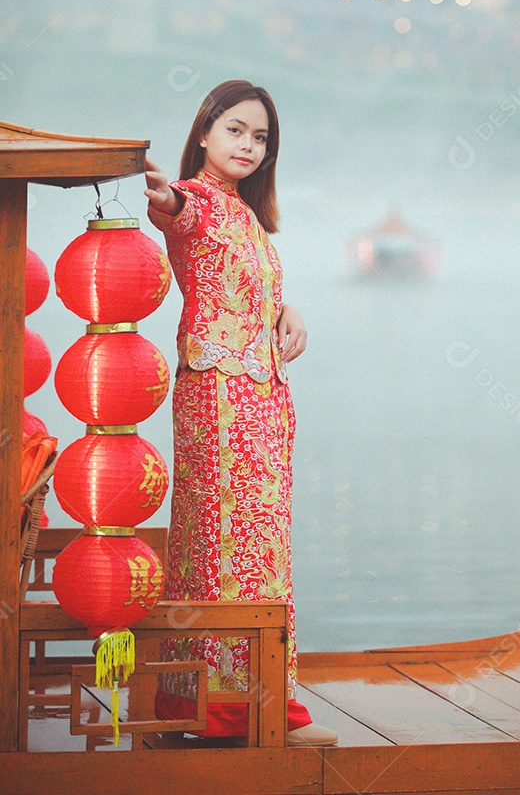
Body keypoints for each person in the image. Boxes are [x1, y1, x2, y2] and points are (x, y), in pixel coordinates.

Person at [144, 79, 337, 747]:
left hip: (265, 405)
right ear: (203, 132)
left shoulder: (248, 216)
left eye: (261, 137)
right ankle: (220, 706)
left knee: (262, 544)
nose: (249, 145)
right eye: (235, 129)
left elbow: (256, 290)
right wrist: (161, 193)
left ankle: (263, 697)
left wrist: (290, 310)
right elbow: (174, 211)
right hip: (220, 403)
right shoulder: (197, 199)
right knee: (219, 542)